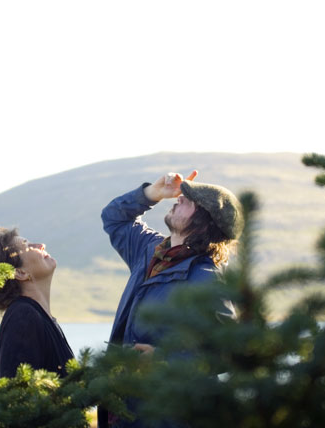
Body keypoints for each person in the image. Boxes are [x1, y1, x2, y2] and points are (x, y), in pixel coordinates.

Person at [99, 170, 243, 427]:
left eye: (190, 201)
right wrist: (151, 195)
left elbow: (228, 351)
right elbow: (113, 217)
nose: (179, 199)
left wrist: (163, 358)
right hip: (124, 411)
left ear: (205, 222)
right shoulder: (149, 249)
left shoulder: (206, 277)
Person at [0, 227, 74, 379]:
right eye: (27, 245)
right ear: (20, 272)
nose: (41, 245)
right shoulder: (23, 317)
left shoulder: (40, 317)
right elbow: (19, 396)